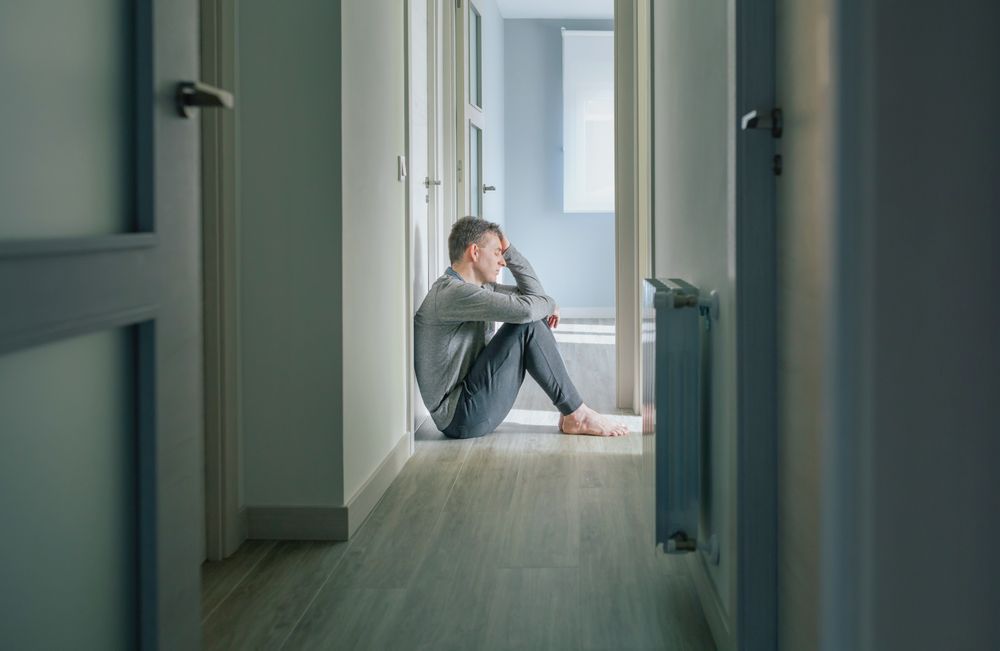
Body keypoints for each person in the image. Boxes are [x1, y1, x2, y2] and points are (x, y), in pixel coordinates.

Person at [414, 216, 628, 439]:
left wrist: (509, 249)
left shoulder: (481, 288)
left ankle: (572, 411)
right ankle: (577, 413)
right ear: (475, 252)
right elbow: (528, 310)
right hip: (460, 417)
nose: (503, 261)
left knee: (531, 318)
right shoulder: (453, 294)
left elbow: (533, 298)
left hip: (471, 403)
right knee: (527, 325)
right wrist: (549, 304)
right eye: (497, 252)